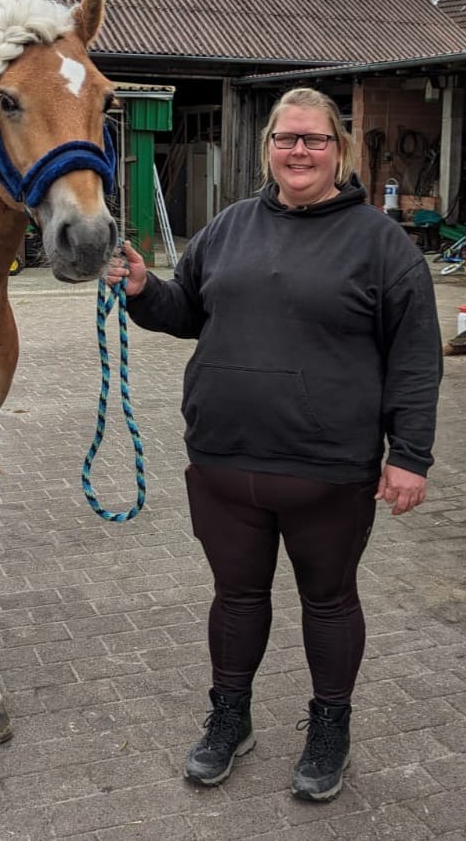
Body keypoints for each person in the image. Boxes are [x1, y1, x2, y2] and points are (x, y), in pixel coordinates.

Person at [107, 87, 442, 802]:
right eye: (285, 139)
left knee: (328, 600)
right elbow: (187, 311)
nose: (298, 151)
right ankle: (230, 717)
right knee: (235, 596)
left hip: (330, 470)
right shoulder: (227, 229)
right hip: (226, 460)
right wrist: (142, 287)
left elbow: (416, 356)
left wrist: (410, 453)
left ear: (339, 150)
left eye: (313, 140)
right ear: (268, 150)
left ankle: (330, 729)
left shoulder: (383, 245)